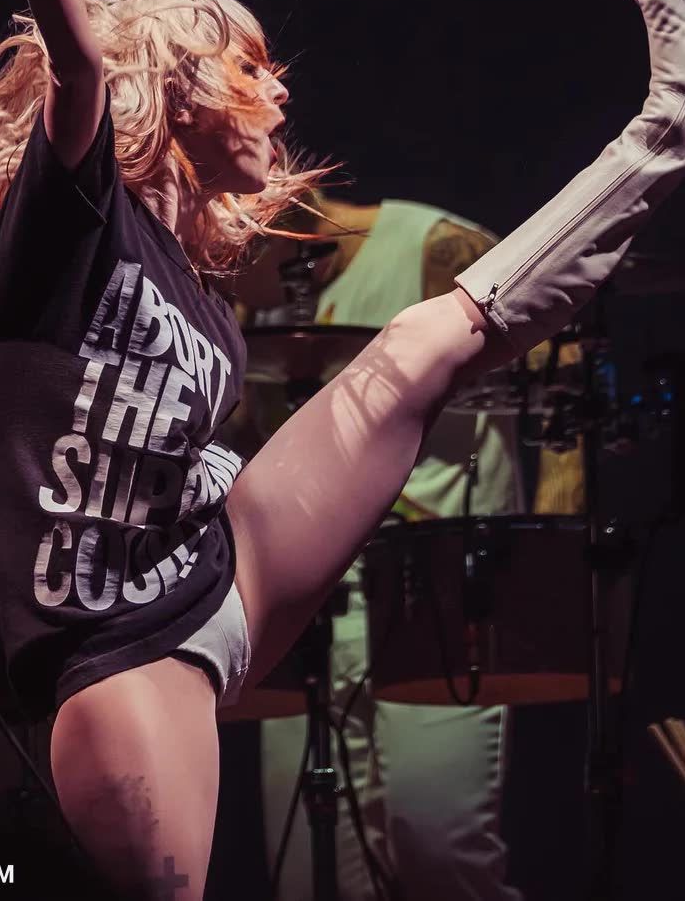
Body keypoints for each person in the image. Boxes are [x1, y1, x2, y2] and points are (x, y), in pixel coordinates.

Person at [0, 0, 685, 901]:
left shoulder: (198, 294)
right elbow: (81, 72)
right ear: (179, 91)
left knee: (424, 342)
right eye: (252, 70)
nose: (281, 91)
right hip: (113, 640)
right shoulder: (69, 222)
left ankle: (680, 124)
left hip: (215, 565)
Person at [230, 198, 526, 900]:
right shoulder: (251, 300)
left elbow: (558, 378)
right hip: (308, 599)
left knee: (438, 848)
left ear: (274, 218)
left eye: (227, 256)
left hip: (439, 591)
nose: (215, 271)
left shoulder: (435, 248)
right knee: (309, 877)